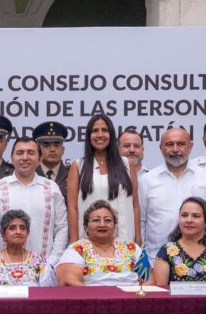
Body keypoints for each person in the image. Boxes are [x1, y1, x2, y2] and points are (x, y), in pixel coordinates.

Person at [0, 137, 68, 266]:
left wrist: (52, 261)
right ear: (12, 158)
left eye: (31, 153)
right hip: (3, 268)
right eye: (20, 153)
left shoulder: (52, 188)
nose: (25, 157)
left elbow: (62, 227)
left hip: (43, 267)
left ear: (40, 159)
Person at [67, 114, 140, 244]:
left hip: (125, 240)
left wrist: (138, 239)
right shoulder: (78, 166)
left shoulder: (127, 164)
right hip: (88, 243)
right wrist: (74, 242)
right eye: (95, 131)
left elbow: (135, 205)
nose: (100, 135)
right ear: (88, 136)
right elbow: (72, 208)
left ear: (111, 134)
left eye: (104, 130)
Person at [140, 127, 206, 262]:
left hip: (199, 261)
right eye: (169, 144)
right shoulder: (147, 180)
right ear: (161, 148)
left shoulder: (203, 177)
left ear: (191, 146)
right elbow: (141, 222)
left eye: (181, 144)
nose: (175, 149)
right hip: (156, 260)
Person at [56, 200, 142, 287]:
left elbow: (148, 279)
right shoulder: (77, 249)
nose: (102, 224)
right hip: (91, 294)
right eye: (96, 220)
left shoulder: (131, 247)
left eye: (108, 220)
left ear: (114, 226)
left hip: (131, 294)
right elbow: (68, 281)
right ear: (86, 227)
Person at [0, 209, 57, 286]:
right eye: (12, 228)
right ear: (3, 234)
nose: (18, 232)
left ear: (27, 233)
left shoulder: (38, 260)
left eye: (22, 228)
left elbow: (47, 289)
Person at [152, 197, 206, 285]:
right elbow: (161, 290)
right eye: (184, 215)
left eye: (196, 216)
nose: (189, 220)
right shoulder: (167, 251)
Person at [34, 121, 69, 201]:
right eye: (46, 145)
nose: (52, 149)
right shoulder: (31, 174)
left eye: (56, 145)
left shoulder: (72, 174)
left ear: (63, 150)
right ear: (39, 150)